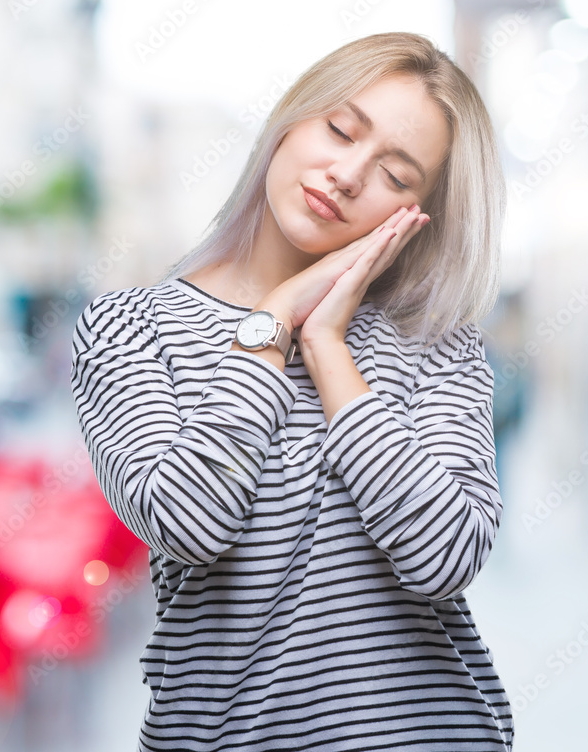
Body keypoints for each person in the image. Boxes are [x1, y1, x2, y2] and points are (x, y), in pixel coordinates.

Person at [71, 31, 513, 752]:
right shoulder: (129, 329)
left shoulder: (437, 344)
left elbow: (445, 557)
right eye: (340, 129)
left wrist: (328, 347)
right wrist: (273, 321)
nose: (346, 174)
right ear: (290, 118)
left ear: (416, 217)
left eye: (395, 175)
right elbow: (189, 521)